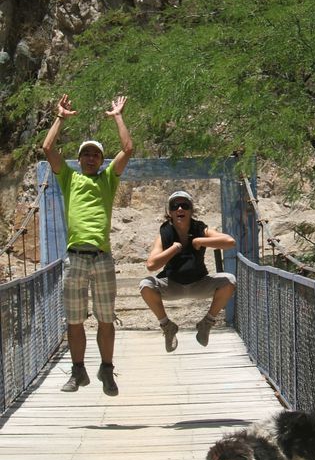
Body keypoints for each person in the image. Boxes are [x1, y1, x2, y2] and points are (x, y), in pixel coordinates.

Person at [42, 93, 133, 396]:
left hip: (101, 257)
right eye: (86, 154)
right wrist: (60, 118)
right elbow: (46, 148)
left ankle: (106, 370)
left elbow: (128, 149)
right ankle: (78, 371)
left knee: (106, 318)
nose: (91, 158)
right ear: (79, 159)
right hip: (75, 259)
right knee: (74, 320)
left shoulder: (108, 179)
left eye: (95, 154)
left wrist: (118, 115)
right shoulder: (68, 179)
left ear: (101, 160)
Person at [139, 190, 236, 351]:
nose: (180, 209)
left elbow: (230, 242)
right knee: (145, 285)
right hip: (172, 285)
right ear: (169, 212)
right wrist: (173, 249)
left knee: (229, 281)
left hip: (199, 283)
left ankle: (206, 323)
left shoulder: (200, 229)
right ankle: (167, 326)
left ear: (191, 210)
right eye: (175, 206)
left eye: (185, 205)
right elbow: (151, 265)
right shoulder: (164, 233)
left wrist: (200, 241)